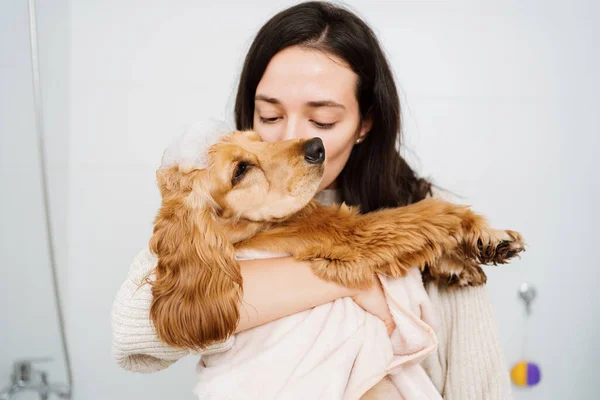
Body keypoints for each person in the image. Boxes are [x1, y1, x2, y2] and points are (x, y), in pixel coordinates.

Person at [112, 2, 511, 398]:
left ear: (363, 124)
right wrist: (358, 279)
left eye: (322, 122)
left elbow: (479, 385)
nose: (292, 140)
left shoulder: (433, 214)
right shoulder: (223, 206)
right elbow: (137, 327)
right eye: (269, 116)